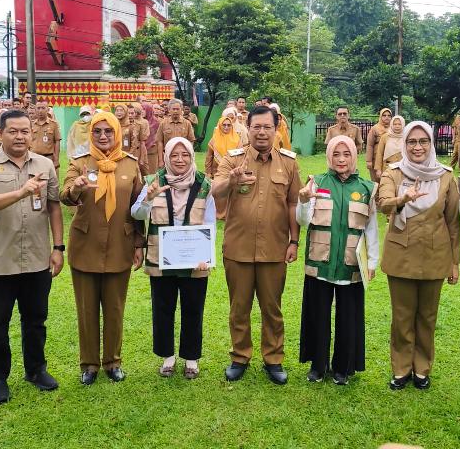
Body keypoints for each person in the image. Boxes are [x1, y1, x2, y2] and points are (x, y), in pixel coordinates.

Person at [0, 110, 64, 403]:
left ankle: (36, 370)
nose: (21, 136)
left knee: (36, 320)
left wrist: (58, 247)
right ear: (0, 134)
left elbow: (54, 207)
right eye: (13, 131)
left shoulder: (45, 164)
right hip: (1, 261)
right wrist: (22, 191)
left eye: (25, 131)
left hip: (37, 258)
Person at [212, 106, 302, 385]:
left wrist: (294, 241)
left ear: (276, 130)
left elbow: (293, 203)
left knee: (272, 308)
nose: (262, 132)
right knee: (239, 307)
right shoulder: (232, 159)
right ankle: (240, 356)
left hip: (274, 248)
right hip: (238, 248)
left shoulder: (288, 163)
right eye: (256, 127)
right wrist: (232, 180)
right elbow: (215, 190)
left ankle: (273, 359)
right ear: (247, 129)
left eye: (267, 127)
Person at [61, 111, 144, 384]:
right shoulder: (80, 163)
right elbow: (65, 195)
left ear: (117, 133)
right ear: (91, 134)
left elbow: (139, 208)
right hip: (86, 245)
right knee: (86, 310)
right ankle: (89, 365)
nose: (104, 136)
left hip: (120, 244)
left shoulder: (130, 165)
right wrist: (77, 187)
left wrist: (139, 243)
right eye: (98, 131)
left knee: (115, 308)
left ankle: (112, 361)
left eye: (109, 131)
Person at [377, 121, 460, 390]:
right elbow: (383, 203)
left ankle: (422, 369)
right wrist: (403, 199)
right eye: (412, 142)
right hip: (401, 253)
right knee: (402, 316)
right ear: (404, 144)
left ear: (431, 143)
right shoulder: (394, 173)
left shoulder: (445, 176)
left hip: (435, 254)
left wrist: (455, 262)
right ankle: (401, 369)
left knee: (427, 316)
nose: (417, 147)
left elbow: (453, 222)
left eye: (423, 141)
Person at [297, 135, 379, 385]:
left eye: (346, 154)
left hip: (351, 265)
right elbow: (303, 220)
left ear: (355, 156)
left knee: (349, 318)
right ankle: (318, 365)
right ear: (328, 156)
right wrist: (303, 200)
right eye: (336, 154)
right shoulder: (317, 182)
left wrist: (372, 262)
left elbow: (371, 228)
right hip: (320, 262)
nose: (341, 159)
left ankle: (343, 367)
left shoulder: (366, 188)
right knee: (317, 315)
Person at [131, 137, 215, 379]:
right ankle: (167, 357)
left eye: (185, 155)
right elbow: (136, 213)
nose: (180, 160)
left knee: (193, 308)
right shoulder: (153, 181)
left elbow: (210, 221)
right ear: (166, 156)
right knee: (163, 308)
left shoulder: (204, 184)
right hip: (161, 257)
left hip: (195, 260)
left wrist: (206, 256)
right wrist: (148, 198)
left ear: (191, 156)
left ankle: (191, 359)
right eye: (174, 155)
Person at [205, 116, 241, 220]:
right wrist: (208, 172)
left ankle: (230, 213)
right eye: (224, 125)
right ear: (220, 126)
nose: (226, 127)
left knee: (232, 193)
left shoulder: (237, 139)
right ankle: (219, 214)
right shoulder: (214, 139)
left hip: (232, 171)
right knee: (218, 192)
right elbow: (209, 157)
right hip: (217, 171)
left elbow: (241, 156)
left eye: (229, 125)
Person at [155, 99, 195, 166]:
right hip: (167, 156)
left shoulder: (187, 123)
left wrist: (189, 156)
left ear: (181, 109)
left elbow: (191, 141)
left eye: (177, 109)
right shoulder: (163, 123)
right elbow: (159, 142)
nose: (175, 111)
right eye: (173, 109)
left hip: (182, 157)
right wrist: (160, 160)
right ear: (169, 110)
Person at [30, 100, 62, 171]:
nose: (40, 111)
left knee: (48, 180)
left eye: (43, 108)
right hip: (33, 157)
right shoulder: (31, 124)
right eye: (38, 108)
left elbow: (57, 141)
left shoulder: (54, 124)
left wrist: (56, 159)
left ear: (47, 109)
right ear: (35, 110)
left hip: (48, 157)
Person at [375, 115, 405, 180]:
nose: (397, 126)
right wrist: (378, 169)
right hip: (387, 168)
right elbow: (379, 153)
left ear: (403, 125)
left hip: (403, 169)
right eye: (395, 124)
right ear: (391, 125)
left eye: (399, 124)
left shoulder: (406, 137)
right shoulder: (385, 137)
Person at [366, 108, 392, 182]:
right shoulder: (375, 128)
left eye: (389, 115)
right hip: (376, 159)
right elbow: (370, 145)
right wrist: (369, 161)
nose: (387, 117)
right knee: (376, 181)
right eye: (384, 115)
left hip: (389, 159)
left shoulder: (394, 129)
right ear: (380, 117)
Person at [143, 102, 161, 175]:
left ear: (149, 110)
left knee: (151, 173)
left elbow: (158, 138)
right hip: (141, 151)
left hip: (151, 151)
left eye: (144, 109)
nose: (142, 111)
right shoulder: (139, 121)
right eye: (141, 109)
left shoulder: (156, 122)